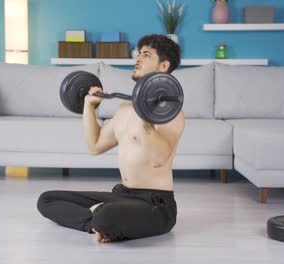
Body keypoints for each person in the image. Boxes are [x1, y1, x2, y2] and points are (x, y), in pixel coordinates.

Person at [37, 34, 184, 243]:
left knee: (107, 215)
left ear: (164, 66)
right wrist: (89, 106)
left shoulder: (170, 112)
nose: (138, 58)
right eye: (138, 53)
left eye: (146, 54)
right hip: (123, 195)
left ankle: (102, 219)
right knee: (47, 199)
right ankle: (98, 223)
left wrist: (146, 118)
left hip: (156, 204)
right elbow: (95, 146)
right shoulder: (124, 109)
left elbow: (159, 158)